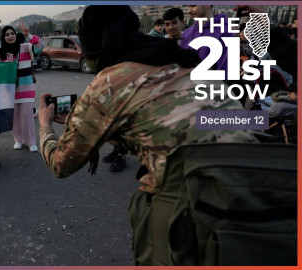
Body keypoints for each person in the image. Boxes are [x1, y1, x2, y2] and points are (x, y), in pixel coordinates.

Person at [37, 5, 257, 264]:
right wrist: (100, 129)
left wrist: (45, 126)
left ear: (94, 44)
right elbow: (154, 128)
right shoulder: (175, 55)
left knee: (148, 211)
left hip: (194, 189)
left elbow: (62, 163)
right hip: (255, 173)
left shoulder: (109, 81)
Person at [0, 22, 44, 152]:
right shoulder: (0, 53)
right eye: (7, 35)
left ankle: (31, 141)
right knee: (15, 117)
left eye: (12, 33)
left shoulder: (25, 47)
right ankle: (18, 139)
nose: (10, 36)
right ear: (3, 38)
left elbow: (39, 47)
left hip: (26, 89)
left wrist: (29, 36)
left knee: (27, 115)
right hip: (10, 92)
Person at [179, 5, 234, 75]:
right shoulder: (186, 33)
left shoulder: (226, 33)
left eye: (193, 6)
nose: (189, 11)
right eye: (188, 7)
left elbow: (226, 74)